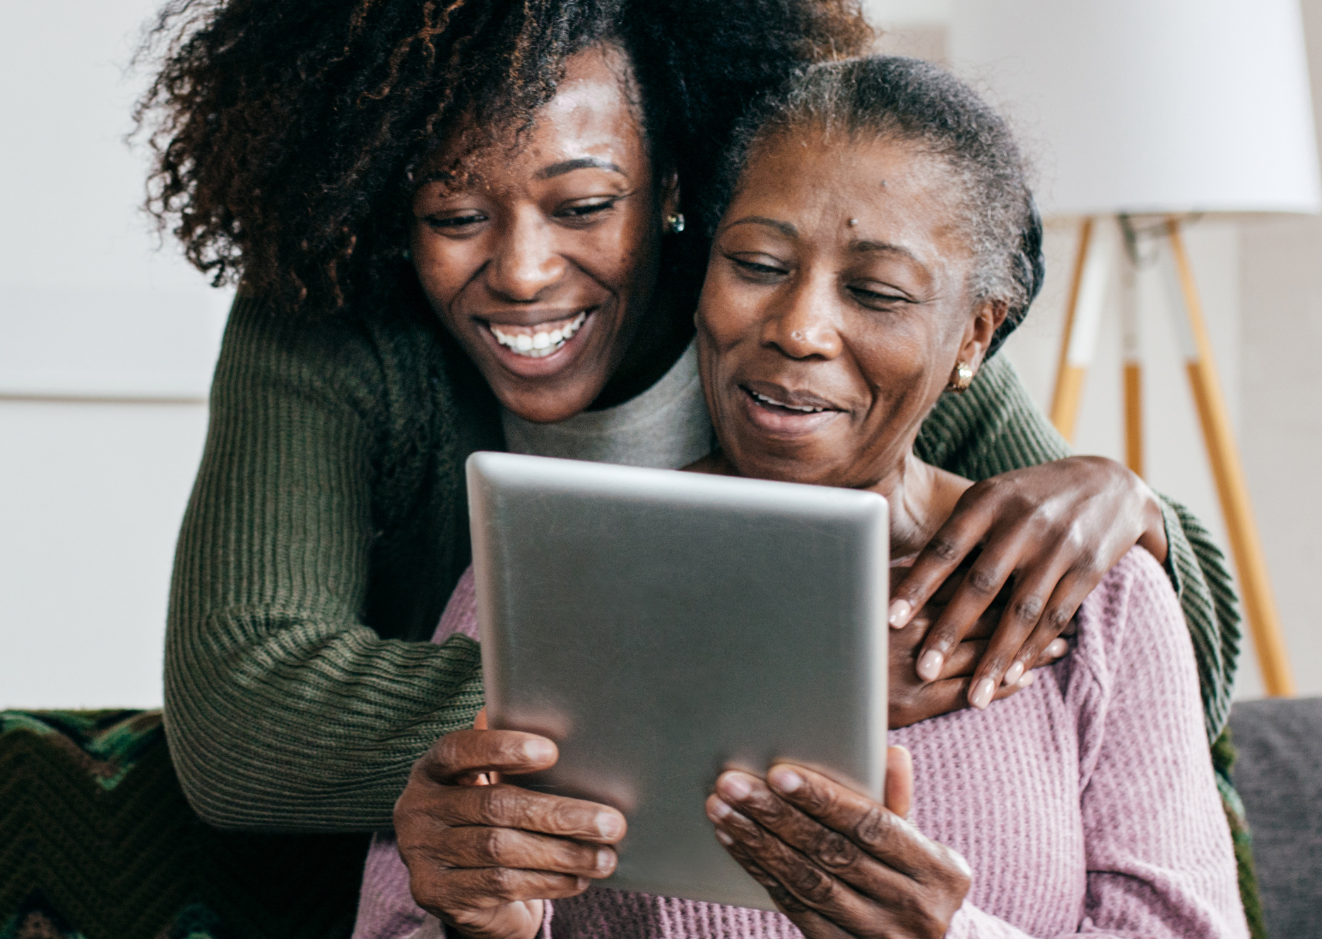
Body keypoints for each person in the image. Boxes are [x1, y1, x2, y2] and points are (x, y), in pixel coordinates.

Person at [141, 0, 1242, 838]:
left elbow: (1173, 667)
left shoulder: (818, 320)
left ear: (675, 176)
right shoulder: (333, 318)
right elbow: (245, 726)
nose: (522, 272)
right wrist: (778, 681)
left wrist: (1124, 507)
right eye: (454, 214)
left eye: (584, 206)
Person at [367, 55, 1246, 938]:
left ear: (975, 332)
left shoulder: (1106, 604)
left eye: (876, 292)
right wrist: (476, 928)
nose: (797, 327)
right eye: (756, 263)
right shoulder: (546, 563)